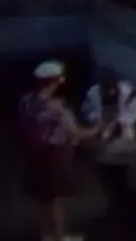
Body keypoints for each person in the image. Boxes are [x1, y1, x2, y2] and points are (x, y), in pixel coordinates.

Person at [16, 59, 91, 240]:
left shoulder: (25, 101)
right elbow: (75, 132)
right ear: (55, 80)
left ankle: (47, 235)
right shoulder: (57, 106)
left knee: (42, 198)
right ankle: (60, 237)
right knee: (56, 200)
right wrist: (99, 128)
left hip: (33, 155)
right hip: (54, 156)